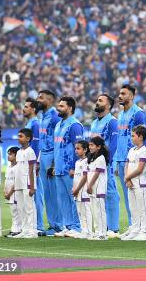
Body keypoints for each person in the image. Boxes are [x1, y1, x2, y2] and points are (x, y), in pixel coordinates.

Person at [114, 84, 146, 228]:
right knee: (128, 196)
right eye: (119, 94)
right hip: (122, 158)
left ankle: (140, 226)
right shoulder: (120, 115)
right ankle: (132, 225)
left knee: (137, 194)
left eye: (124, 93)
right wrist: (116, 160)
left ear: (132, 96)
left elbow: (143, 136)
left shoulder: (138, 113)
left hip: (134, 158)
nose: (120, 96)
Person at [89, 93, 120, 237]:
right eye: (97, 100)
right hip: (94, 163)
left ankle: (113, 228)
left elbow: (113, 144)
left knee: (111, 192)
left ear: (108, 105)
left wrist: (108, 161)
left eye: (100, 101)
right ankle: (103, 225)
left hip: (105, 163)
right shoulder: (95, 123)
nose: (97, 102)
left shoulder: (112, 122)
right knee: (98, 193)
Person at [53, 96, 83, 237]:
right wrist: (54, 165)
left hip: (69, 168)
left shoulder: (75, 126)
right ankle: (67, 226)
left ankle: (77, 226)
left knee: (73, 197)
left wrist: (73, 167)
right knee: (62, 198)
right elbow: (57, 147)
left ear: (70, 108)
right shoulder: (59, 125)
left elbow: (78, 147)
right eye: (58, 106)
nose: (59, 108)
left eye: (62, 106)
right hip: (59, 168)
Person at [36, 89, 61, 235]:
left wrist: (53, 163)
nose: (38, 100)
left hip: (52, 155)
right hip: (44, 155)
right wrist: (39, 160)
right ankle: (52, 225)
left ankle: (59, 224)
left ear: (50, 100)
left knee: (54, 192)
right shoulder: (42, 117)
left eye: (41, 98)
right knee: (47, 193)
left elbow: (58, 141)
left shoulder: (54, 116)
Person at [122, 126, 146, 241]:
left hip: (140, 184)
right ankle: (135, 230)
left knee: (142, 208)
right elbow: (127, 165)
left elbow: (139, 169)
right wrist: (127, 179)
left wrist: (127, 177)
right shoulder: (131, 150)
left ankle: (144, 231)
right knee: (133, 208)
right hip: (130, 184)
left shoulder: (144, 151)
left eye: (133, 136)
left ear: (141, 137)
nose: (131, 138)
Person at [12, 128, 38, 238]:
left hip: (27, 183)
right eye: (18, 136)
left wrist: (32, 186)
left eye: (21, 136)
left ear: (28, 138)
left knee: (29, 207)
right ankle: (25, 229)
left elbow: (32, 170)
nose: (19, 138)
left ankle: (32, 231)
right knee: (20, 207)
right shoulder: (18, 152)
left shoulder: (30, 152)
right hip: (19, 183)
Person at [22, 97, 42, 233]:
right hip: (28, 163)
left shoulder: (35, 123)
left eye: (26, 106)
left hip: (32, 163)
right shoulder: (30, 123)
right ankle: (32, 224)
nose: (23, 109)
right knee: (30, 193)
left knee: (36, 193)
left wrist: (36, 162)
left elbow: (37, 144)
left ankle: (38, 225)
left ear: (33, 109)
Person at [87, 136, 109, 241]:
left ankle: (102, 233)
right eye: (89, 145)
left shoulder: (101, 158)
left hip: (98, 188)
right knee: (95, 211)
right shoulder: (91, 158)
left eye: (92, 145)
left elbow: (96, 174)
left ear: (99, 147)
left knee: (100, 210)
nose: (90, 147)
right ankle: (97, 231)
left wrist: (90, 185)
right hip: (92, 188)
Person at [71, 140, 91, 239]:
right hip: (77, 191)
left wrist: (78, 189)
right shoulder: (77, 162)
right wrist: (74, 188)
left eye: (78, 148)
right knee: (80, 211)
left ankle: (89, 231)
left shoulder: (86, 161)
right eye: (75, 148)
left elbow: (85, 176)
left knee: (86, 211)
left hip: (84, 191)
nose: (76, 150)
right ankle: (83, 230)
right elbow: (76, 178)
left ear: (85, 150)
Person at [3, 146, 21, 237]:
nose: (8, 156)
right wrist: (4, 190)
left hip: (14, 193)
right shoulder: (9, 167)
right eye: (8, 154)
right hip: (8, 193)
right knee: (12, 211)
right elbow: (6, 179)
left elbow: (16, 182)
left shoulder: (18, 167)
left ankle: (17, 230)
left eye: (11, 154)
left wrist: (9, 193)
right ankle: (14, 229)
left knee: (16, 211)